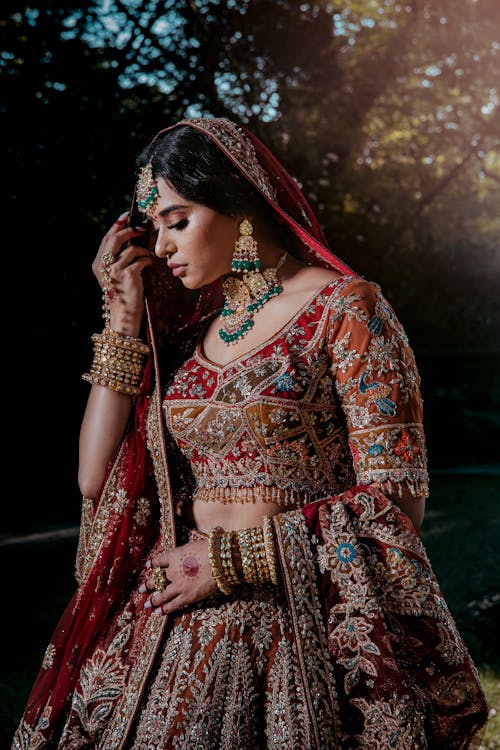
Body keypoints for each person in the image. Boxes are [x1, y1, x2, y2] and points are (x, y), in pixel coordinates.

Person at [12, 117, 488, 749]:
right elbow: (94, 476)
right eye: (153, 227)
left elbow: (396, 504)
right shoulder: (180, 339)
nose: (162, 247)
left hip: (302, 627)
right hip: (176, 628)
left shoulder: (347, 309)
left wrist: (233, 560)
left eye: (178, 221)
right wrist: (124, 314)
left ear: (240, 206)